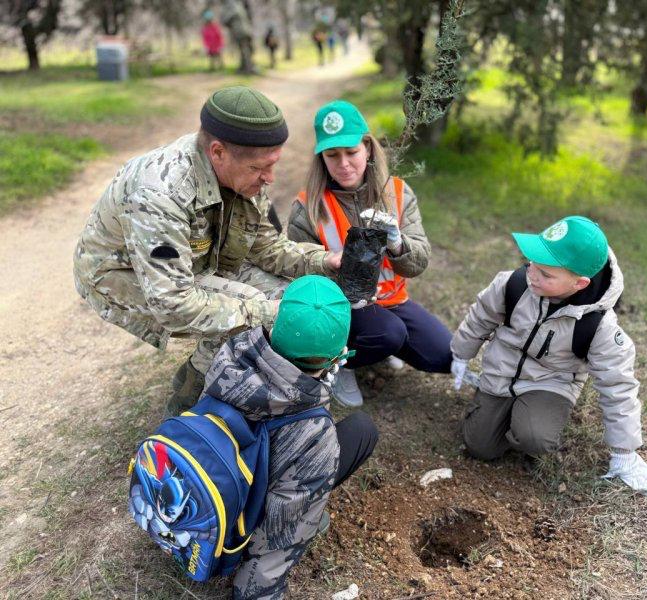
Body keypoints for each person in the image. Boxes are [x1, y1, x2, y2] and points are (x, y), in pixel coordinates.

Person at [74, 86, 341, 413]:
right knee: (251, 309)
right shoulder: (160, 194)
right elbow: (172, 302)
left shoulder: (241, 171)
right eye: (259, 168)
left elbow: (266, 247)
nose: (269, 178)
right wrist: (265, 313)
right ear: (218, 152)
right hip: (121, 274)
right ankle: (186, 413)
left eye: (273, 165)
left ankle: (221, 381)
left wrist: (324, 260)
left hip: (198, 263)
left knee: (288, 296)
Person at [450, 216, 647, 496]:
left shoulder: (599, 326)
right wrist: (461, 353)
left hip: (551, 381)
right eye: (532, 263)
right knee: (479, 446)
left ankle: (532, 417)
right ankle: (500, 414)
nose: (532, 274)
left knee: (534, 438)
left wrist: (624, 452)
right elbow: (480, 317)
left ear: (579, 283)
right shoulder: (513, 284)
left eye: (546, 274)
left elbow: (618, 386)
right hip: (501, 371)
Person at [204, 275, 378, 599]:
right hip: (241, 513)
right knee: (362, 430)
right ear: (337, 355)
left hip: (217, 470)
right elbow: (281, 529)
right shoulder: (315, 435)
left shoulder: (234, 350)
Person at [286, 100, 452, 407]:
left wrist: (398, 243)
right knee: (388, 333)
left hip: (393, 301)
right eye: (332, 155)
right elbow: (295, 276)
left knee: (443, 354)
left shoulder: (399, 193)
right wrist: (334, 271)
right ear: (321, 158)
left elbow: (419, 263)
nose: (344, 163)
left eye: (352, 152)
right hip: (339, 312)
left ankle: (383, 345)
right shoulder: (307, 208)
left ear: (368, 149)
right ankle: (338, 363)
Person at [221, 0, 257, 75]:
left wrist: (226, 20)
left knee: (245, 51)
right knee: (245, 50)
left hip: (241, 31)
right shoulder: (239, 7)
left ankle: (248, 69)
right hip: (245, 30)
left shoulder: (233, 8)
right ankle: (245, 67)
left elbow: (226, 20)